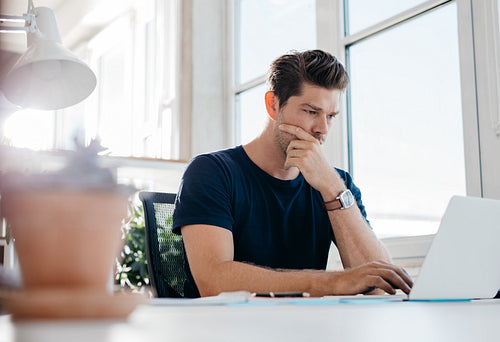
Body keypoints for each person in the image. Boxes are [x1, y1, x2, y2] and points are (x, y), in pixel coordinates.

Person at [172, 49, 413, 298]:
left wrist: (333, 188)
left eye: (330, 116)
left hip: (305, 329)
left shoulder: (337, 185)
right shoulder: (211, 172)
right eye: (311, 112)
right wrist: (330, 283)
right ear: (273, 104)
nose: (322, 129)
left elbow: (382, 284)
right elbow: (214, 282)